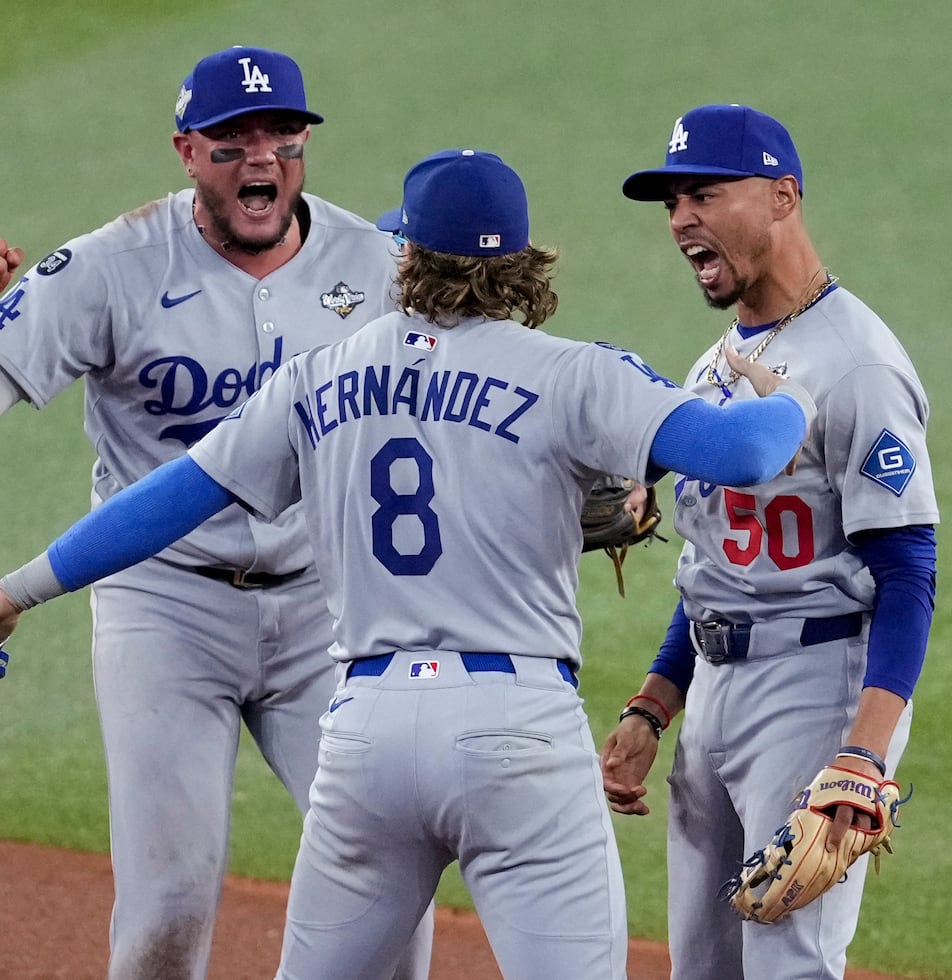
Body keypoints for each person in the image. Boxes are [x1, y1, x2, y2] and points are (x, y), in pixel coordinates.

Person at [0, 147, 818, 980]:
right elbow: (745, 451)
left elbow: (169, 498)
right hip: (517, 732)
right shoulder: (576, 373)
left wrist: (16, 591)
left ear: (407, 256)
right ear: (524, 261)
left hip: (366, 735)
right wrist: (794, 391)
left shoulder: (317, 376)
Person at [0, 46, 433, 980]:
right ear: (187, 152)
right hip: (164, 603)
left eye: (282, 135)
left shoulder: (378, 264)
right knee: (170, 898)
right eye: (234, 141)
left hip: (329, 607)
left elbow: (471, 391)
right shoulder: (108, 266)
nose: (262, 159)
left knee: (390, 871)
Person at [601, 103, 939, 979]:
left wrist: (861, 751)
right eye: (673, 203)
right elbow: (714, 567)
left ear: (783, 196)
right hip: (713, 696)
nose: (681, 221)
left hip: (813, 692)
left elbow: (907, 573)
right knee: (702, 968)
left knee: (789, 964)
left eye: (704, 195)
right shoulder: (717, 367)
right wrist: (654, 704)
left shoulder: (856, 364)